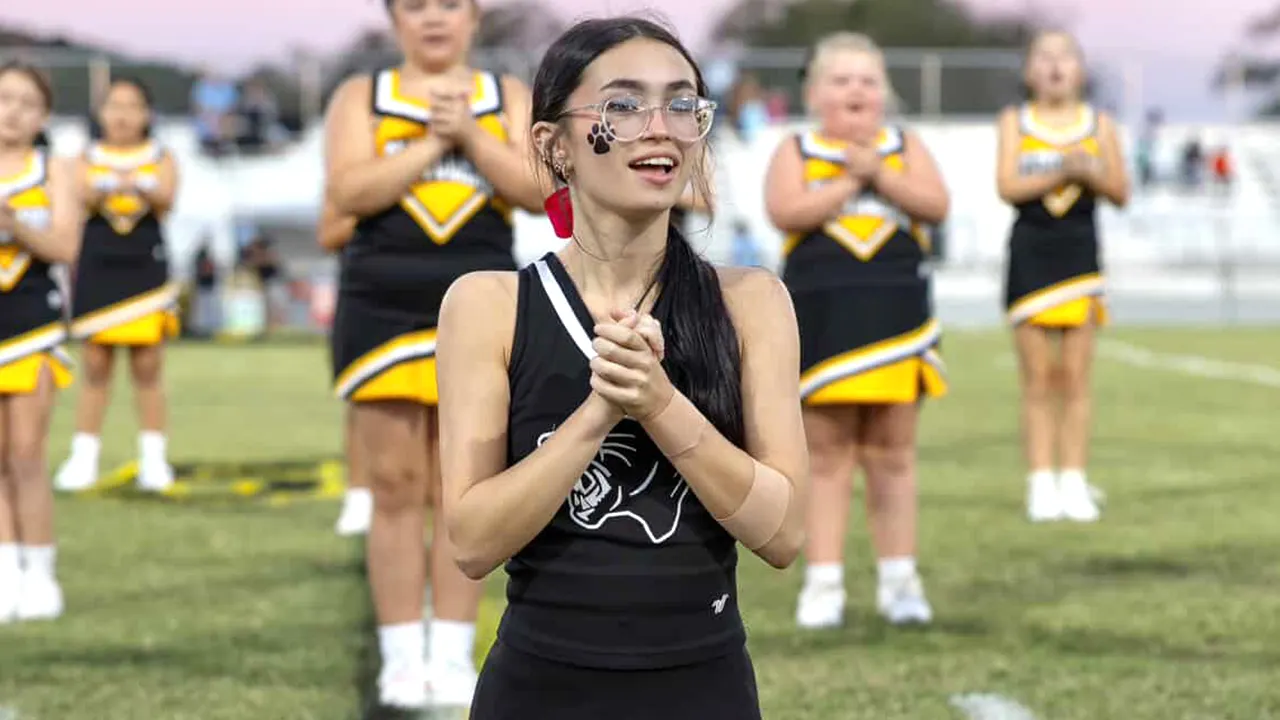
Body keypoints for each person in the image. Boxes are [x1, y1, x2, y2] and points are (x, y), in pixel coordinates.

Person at [436, 17, 809, 719]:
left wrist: (660, 404)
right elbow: (471, 540)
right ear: (556, 146)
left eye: (680, 103)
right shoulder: (489, 305)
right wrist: (601, 410)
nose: (658, 128)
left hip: (705, 685)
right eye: (623, 106)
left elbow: (783, 534)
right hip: (540, 688)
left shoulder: (751, 301)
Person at [323, 0, 544, 708]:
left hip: (481, 307)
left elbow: (541, 192)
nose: (434, 19)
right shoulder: (363, 96)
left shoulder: (507, 96)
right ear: (393, 20)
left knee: (464, 489)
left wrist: (472, 140)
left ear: (476, 15)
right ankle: (399, 652)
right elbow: (348, 192)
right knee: (392, 485)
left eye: (450, 4)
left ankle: (451, 650)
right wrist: (430, 141)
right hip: (382, 305)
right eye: (415, 6)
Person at [764, 32, 950, 630]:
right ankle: (824, 584)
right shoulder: (797, 147)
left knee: (893, 453)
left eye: (868, 81)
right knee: (826, 455)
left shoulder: (905, 146)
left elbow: (936, 205)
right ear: (815, 94)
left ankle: (900, 580)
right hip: (824, 323)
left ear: (884, 94)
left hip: (898, 320)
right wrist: (851, 180)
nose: (856, 91)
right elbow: (785, 211)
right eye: (841, 81)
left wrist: (880, 173)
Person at [996, 30, 1128, 523]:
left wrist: (1089, 173)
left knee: (1074, 378)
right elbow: (1007, 185)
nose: (1055, 66)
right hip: (1031, 257)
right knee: (1037, 379)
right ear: (1030, 70)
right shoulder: (1016, 120)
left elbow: (1119, 190)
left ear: (1080, 68)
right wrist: (1063, 173)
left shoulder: (1101, 123)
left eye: (1065, 57)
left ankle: (1073, 480)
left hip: (1080, 258)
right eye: (1044, 57)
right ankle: (1039, 484)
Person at [54, 77, 180, 494]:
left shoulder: (162, 155)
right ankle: (84, 457)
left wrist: (134, 184)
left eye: (132, 106)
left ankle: (153, 459)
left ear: (147, 114)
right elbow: (79, 196)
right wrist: (115, 183)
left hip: (144, 266)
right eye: (114, 105)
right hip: (98, 266)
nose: (123, 115)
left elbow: (166, 198)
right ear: (100, 112)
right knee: (94, 366)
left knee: (148, 367)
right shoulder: (82, 156)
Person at [0, 61, 83, 622]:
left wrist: (15, 226)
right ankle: (5, 574)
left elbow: (64, 247)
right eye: (4, 99)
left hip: (32, 321)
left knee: (27, 454)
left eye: (27, 103)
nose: (13, 111)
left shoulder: (57, 170)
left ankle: (41, 573)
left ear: (44, 115)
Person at [316, 200, 369, 537]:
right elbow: (329, 233)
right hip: (371, 296)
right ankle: (359, 494)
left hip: (447, 287)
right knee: (364, 402)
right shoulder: (366, 165)